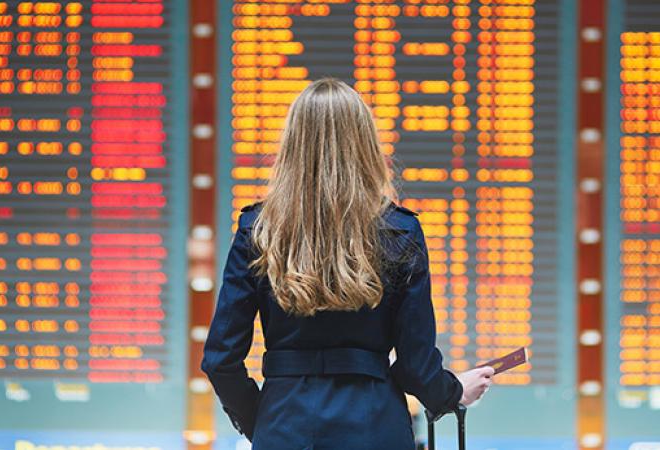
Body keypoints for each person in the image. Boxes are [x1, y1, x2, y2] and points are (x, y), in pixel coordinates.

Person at [201, 77, 494, 449]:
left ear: (291, 145)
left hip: (283, 426)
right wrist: (452, 391)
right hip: (375, 428)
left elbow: (221, 360)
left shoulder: (257, 231)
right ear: (365, 144)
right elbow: (415, 365)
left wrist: (260, 421)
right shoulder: (400, 231)